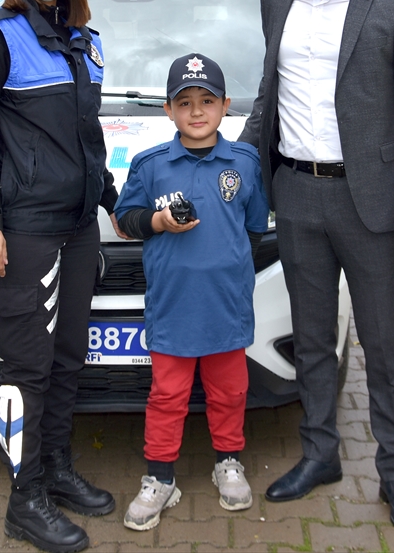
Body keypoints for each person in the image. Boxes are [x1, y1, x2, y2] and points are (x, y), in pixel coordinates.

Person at [238, 0, 394, 538]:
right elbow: (270, 95)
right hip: (297, 193)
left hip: (373, 201)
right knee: (314, 337)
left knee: (382, 341)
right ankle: (320, 453)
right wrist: (234, 167)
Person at [0, 0, 122, 553]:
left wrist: (114, 199)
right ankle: (23, 500)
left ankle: (55, 469)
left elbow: (88, 140)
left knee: (65, 359)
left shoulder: (87, 40)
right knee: (23, 368)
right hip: (22, 232)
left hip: (78, 227)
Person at [112, 53, 270, 531]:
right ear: (168, 110)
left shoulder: (243, 161)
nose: (196, 112)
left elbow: (255, 227)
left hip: (226, 305)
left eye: (207, 101)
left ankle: (228, 461)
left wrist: (228, 263)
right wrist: (157, 222)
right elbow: (125, 220)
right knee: (168, 395)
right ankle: (160, 476)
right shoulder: (151, 164)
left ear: (224, 106)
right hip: (174, 306)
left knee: (229, 391)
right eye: (185, 103)